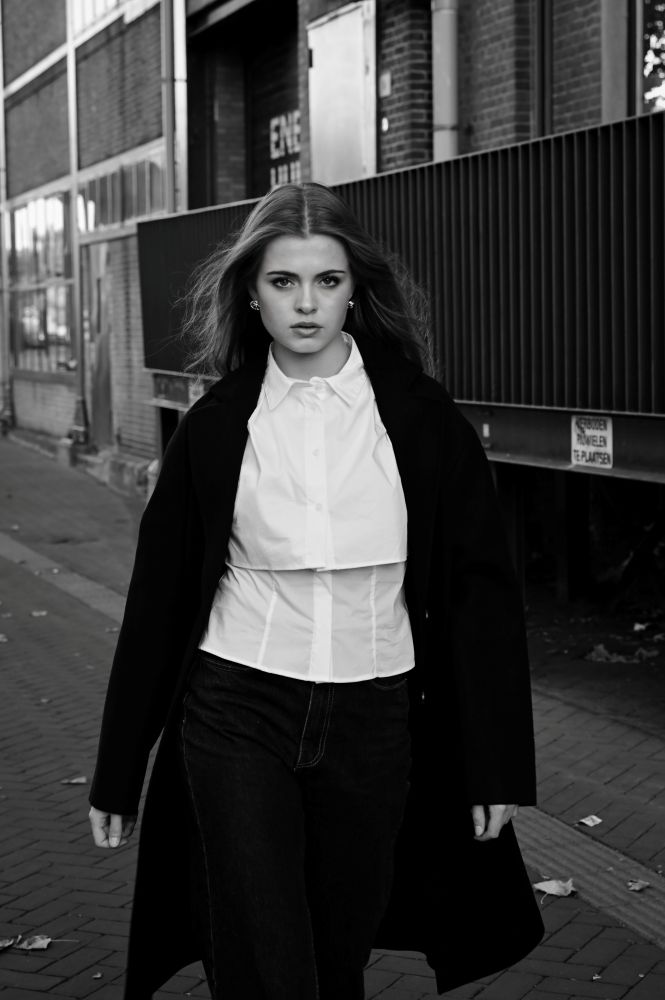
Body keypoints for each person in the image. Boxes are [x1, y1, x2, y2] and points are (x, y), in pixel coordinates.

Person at [88, 182, 544, 1000]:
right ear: (251, 293)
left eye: (326, 281)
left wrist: (495, 763)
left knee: (337, 959)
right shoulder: (216, 425)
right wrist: (119, 769)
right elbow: (159, 604)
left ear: (354, 289)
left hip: (378, 717)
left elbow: (479, 594)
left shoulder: (420, 417)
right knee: (266, 962)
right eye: (283, 282)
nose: (306, 304)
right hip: (235, 712)